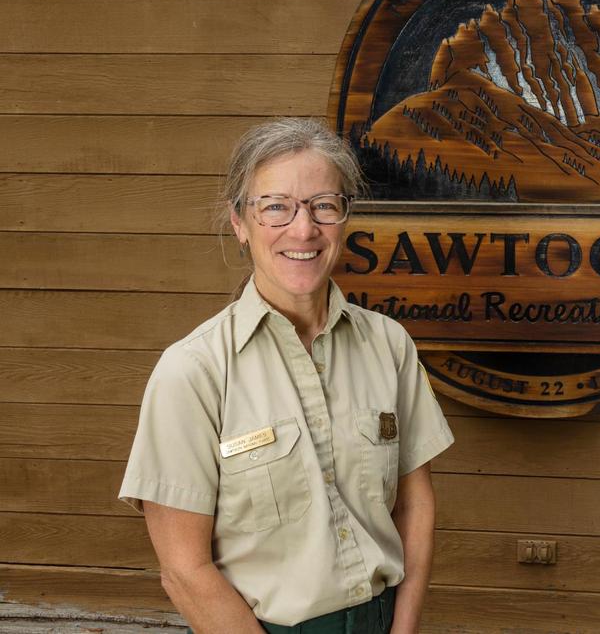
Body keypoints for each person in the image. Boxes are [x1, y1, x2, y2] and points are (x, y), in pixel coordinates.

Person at [120, 118, 454, 633]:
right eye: (276, 207)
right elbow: (184, 572)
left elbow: (415, 506)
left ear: (345, 217)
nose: (303, 229)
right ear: (239, 222)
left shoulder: (389, 345)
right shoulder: (193, 371)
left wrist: (403, 629)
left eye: (323, 205)